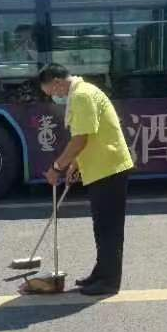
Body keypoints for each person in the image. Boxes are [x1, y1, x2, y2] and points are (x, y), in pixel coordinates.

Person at [39, 63, 134, 296]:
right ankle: (100, 273)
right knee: (101, 227)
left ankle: (109, 282)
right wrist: (75, 164)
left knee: (109, 229)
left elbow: (80, 139)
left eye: (52, 92)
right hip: (101, 167)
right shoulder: (81, 93)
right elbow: (88, 137)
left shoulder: (82, 96)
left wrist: (57, 167)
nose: (54, 97)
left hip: (109, 168)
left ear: (57, 82)